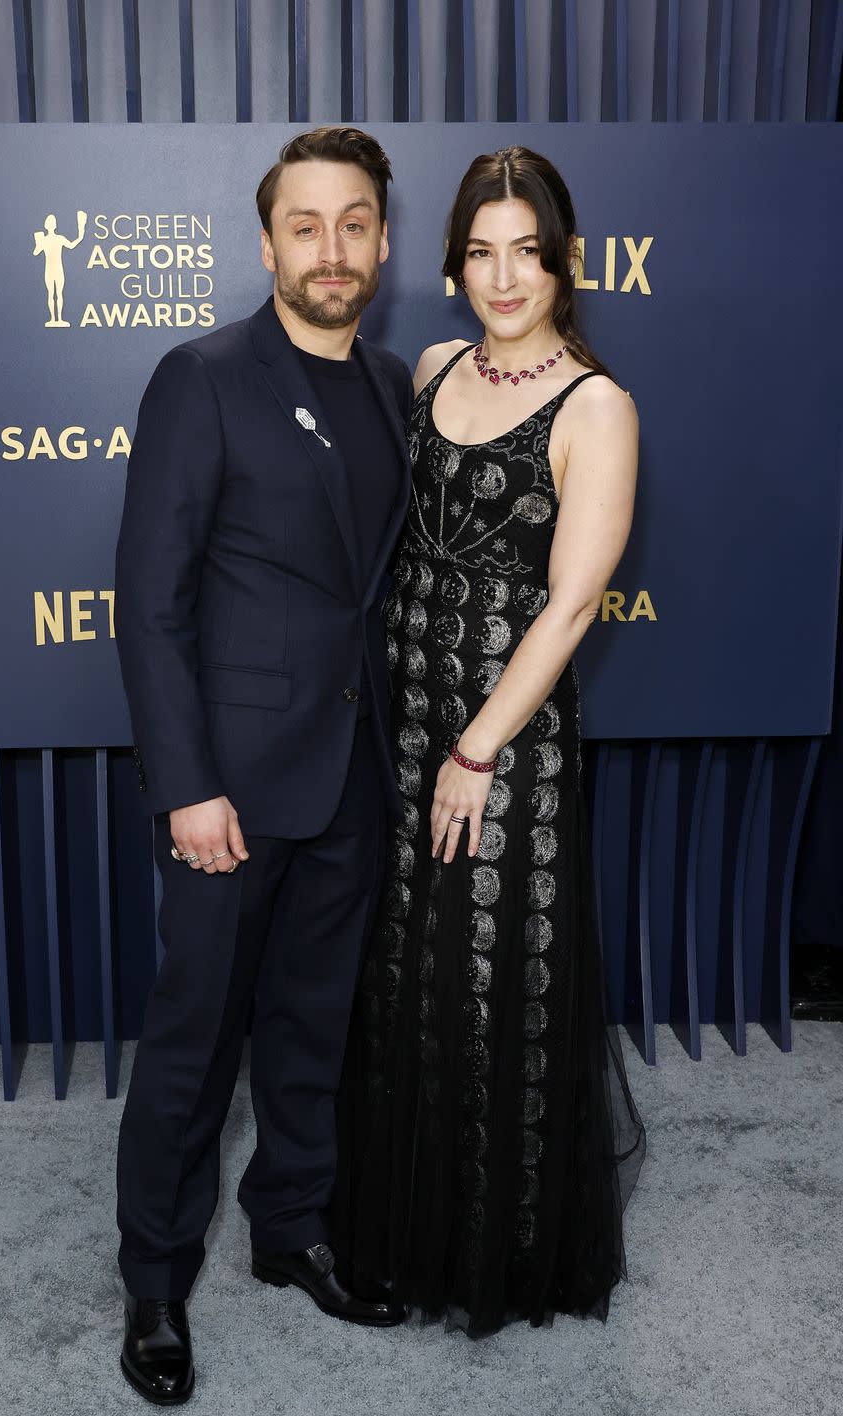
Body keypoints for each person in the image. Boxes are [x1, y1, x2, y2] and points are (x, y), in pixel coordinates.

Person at [113, 126, 413, 1406]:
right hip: (228, 790)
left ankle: (290, 1230)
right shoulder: (205, 376)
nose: (331, 248)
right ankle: (155, 1282)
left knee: (310, 1025)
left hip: (351, 773)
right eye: (307, 224)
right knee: (195, 1042)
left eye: (355, 223)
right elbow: (151, 599)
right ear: (268, 242)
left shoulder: (397, 387)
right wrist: (187, 785)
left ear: (383, 243)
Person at [334, 146, 647, 1338]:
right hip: (403, 721)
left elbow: (569, 607)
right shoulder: (431, 367)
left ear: (562, 258)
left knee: (491, 979)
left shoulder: (596, 406)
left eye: (527, 250)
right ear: (456, 259)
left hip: (501, 745)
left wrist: (474, 753)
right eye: (480, 250)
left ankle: (495, 1255)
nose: (503, 276)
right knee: (402, 974)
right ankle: (398, 1230)